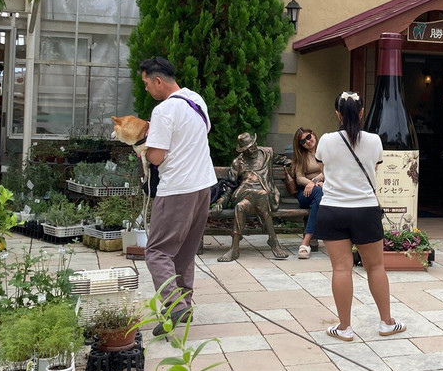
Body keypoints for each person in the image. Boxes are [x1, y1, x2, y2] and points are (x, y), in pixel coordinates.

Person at [314, 91, 405, 341]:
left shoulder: (326, 140)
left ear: (337, 114)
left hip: (332, 209)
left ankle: (344, 327)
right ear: (362, 113)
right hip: (365, 210)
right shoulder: (375, 140)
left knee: (341, 268)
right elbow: (373, 168)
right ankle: (387, 322)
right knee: (375, 267)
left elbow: (323, 168)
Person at [139, 56, 217, 336]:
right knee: (184, 252)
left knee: (157, 251)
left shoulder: (164, 111)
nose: (147, 89)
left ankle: (174, 303)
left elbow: (157, 157)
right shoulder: (196, 100)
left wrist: (142, 148)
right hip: (203, 186)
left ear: (158, 81)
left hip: (177, 190)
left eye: (147, 83)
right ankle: (181, 306)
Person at [218, 132, 288, 262]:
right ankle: (272, 242)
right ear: (243, 149)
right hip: (244, 194)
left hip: (262, 197)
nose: (252, 148)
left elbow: (285, 160)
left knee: (241, 206)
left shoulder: (267, 153)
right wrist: (221, 202)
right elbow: (230, 187)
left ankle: (235, 247)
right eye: (248, 147)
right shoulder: (238, 162)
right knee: (258, 195)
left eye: (253, 144)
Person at [291, 127, 324, 259]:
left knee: (319, 194)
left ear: (313, 134)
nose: (308, 142)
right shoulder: (301, 156)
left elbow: (329, 170)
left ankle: (307, 240)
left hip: (323, 190)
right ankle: (308, 240)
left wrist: (316, 181)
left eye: (309, 137)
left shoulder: (324, 151)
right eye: (303, 141)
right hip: (305, 193)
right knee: (318, 192)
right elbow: (299, 178)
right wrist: (312, 183)